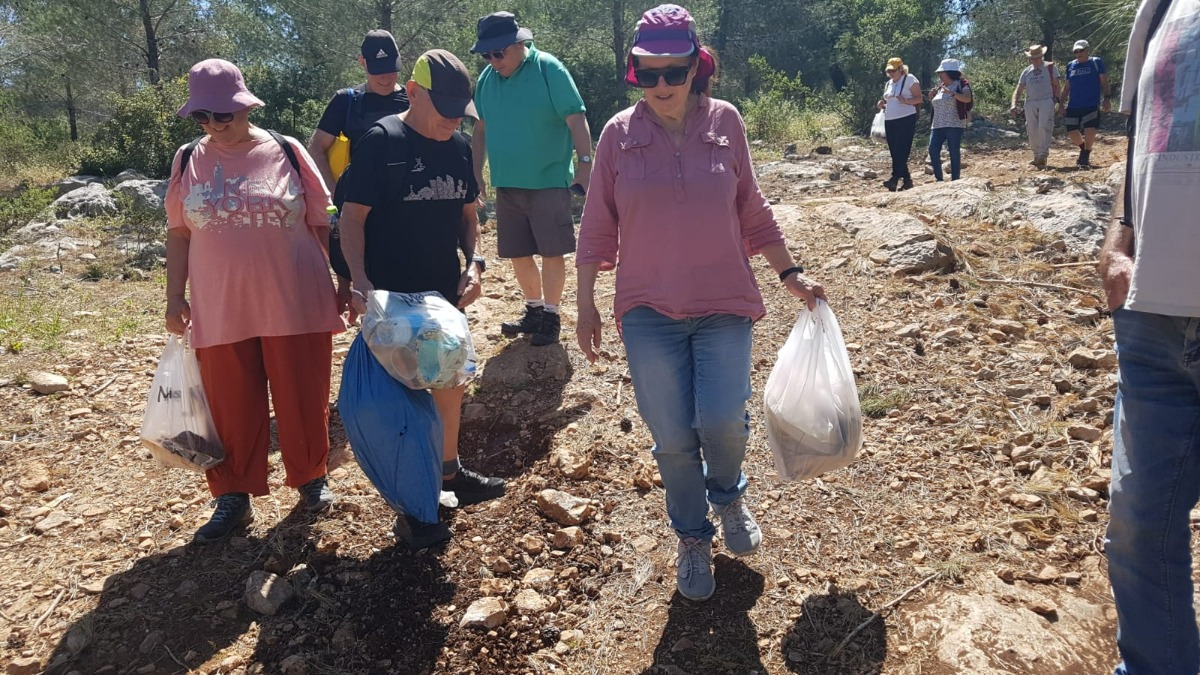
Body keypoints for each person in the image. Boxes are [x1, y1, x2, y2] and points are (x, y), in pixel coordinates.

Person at [576, 4, 826, 602]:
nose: (661, 85)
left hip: (723, 303)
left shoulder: (727, 122)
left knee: (721, 420)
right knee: (671, 436)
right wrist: (583, 303)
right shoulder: (617, 134)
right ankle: (692, 536)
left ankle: (729, 496)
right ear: (634, 71)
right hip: (646, 311)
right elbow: (595, 225)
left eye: (675, 71)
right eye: (647, 72)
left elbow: (751, 207)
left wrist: (790, 274)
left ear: (696, 67)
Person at [165, 59, 345, 543]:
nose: (213, 124)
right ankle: (231, 497)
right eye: (203, 115)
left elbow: (323, 223)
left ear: (245, 105)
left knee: (303, 395)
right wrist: (173, 297)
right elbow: (179, 235)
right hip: (219, 305)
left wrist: (347, 281)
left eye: (222, 114)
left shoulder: (286, 151)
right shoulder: (187, 160)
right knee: (228, 405)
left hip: (295, 299)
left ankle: (311, 480)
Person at [338, 49, 506, 548]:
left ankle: (449, 473)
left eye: (460, 110)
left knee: (448, 385)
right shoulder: (381, 142)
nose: (452, 119)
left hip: (439, 300)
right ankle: (413, 504)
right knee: (401, 408)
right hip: (389, 301)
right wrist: (358, 281)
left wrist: (475, 263)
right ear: (412, 92)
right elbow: (351, 218)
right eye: (444, 108)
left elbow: (469, 217)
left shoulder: (457, 148)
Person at [1101, 0, 1200, 671]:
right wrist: (1117, 236)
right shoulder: (1160, 6)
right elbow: (1142, 128)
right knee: (1139, 525)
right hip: (1153, 310)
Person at [469, 11, 593, 347]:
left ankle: (551, 316)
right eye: (487, 54)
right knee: (518, 252)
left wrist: (585, 164)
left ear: (520, 43)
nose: (493, 61)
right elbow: (479, 129)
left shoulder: (548, 68)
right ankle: (534, 310)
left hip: (549, 180)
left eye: (499, 53)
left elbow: (576, 118)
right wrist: (475, 171)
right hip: (508, 183)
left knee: (552, 251)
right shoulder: (486, 81)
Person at [307, 29, 411, 321]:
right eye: (378, 71)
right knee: (360, 281)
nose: (386, 77)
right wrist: (336, 192)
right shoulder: (347, 101)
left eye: (392, 69)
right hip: (359, 205)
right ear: (362, 63)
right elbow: (316, 149)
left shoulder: (412, 99)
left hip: (403, 206)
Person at [1057, 39, 1110, 167]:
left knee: (1090, 130)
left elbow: (1104, 81)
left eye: (1081, 50)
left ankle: (1086, 154)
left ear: (1087, 50)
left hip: (1091, 103)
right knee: (1072, 132)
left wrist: (1107, 98)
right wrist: (1061, 103)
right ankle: (1083, 149)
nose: (1078, 53)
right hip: (1074, 104)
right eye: (1076, 51)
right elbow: (1067, 86)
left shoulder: (1096, 62)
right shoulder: (1071, 65)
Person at [1010, 44, 1060, 168]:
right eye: (1033, 58)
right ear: (1030, 59)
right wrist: (1014, 104)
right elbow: (1019, 89)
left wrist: (1058, 101)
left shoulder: (1050, 67)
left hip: (1046, 100)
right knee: (1032, 129)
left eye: (1038, 57)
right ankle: (1036, 154)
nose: (1035, 60)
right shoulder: (1026, 72)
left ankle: (1043, 154)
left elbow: (1057, 84)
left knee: (1044, 126)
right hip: (1030, 102)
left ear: (1042, 56)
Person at [876, 57, 922, 191]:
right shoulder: (889, 83)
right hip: (890, 119)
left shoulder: (910, 79)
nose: (891, 73)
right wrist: (882, 105)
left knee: (902, 149)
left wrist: (906, 101)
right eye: (889, 71)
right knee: (895, 150)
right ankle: (907, 180)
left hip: (906, 118)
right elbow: (890, 101)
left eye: (893, 70)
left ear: (901, 69)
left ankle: (894, 178)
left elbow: (919, 98)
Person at [927, 58, 973, 181]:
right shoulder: (940, 86)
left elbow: (967, 98)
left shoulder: (961, 84)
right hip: (937, 124)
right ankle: (939, 179)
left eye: (941, 72)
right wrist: (931, 96)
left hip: (954, 124)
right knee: (932, 149)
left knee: (953, 151)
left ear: (950, 72)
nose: (939, 75)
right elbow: (937, 103)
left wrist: (952, 94)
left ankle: (955, 179)